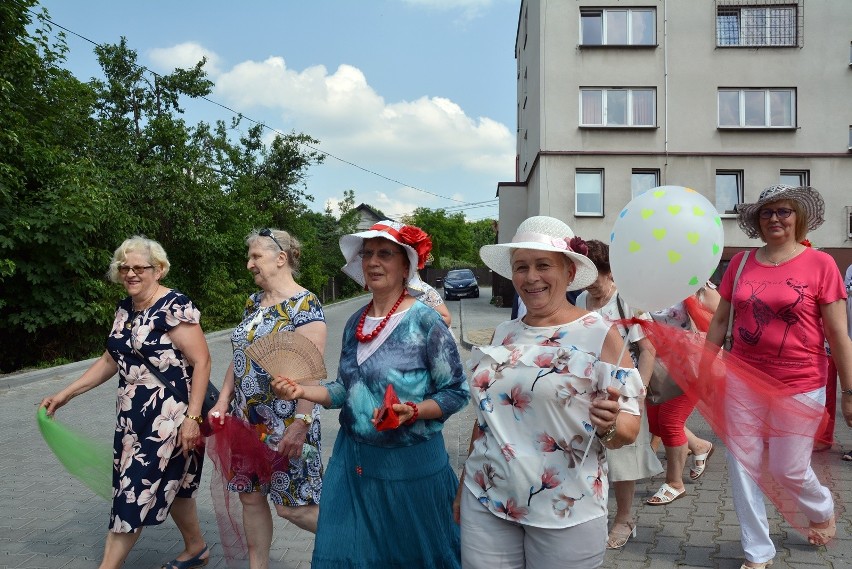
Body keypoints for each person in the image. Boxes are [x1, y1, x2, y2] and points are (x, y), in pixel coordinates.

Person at [273, 220, 469, 568]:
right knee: (346, 551)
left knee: (416, 557)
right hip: (354, 463)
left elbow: (456, 392)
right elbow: (345, 391)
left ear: (406, 265)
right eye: (367, 254)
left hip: (410, 466)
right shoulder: (354, 323)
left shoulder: (425, 322)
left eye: (385, 254)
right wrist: (303, 390)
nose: (373, 262)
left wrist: (414, 410)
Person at [456, 216, 642, 569]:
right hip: (487, 495)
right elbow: (486, 419)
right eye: (521, 267)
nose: (531, 277)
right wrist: (465, 480)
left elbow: (628, 431)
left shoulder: (600, 334)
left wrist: (610, 426)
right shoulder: (503, 334)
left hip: (566, 503)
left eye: (543, 265)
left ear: (570, 272)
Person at [40, 236, 211, 569]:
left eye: (139, 267)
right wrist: (65, 394)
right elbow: (110, 360)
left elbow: (202, 362)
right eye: (124, 267)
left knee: (131, 493)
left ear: (158, 270)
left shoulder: (174, 306)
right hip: (132, 418)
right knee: (176, 488)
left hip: (171, 417)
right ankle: (196, 548)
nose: (130, 273)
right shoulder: (125, 309)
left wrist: (193, 418)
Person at [705, 184, 851, 568]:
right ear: (756, 220)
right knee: (743, 464)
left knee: (789, 468)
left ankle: (821, 509)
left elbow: (838, 334)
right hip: (743, 378)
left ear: (798, 217)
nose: (775, 219)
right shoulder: (739, 264)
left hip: (800, 381)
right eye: (767, 213)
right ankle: (757, 551)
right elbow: (721, 319)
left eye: (783, 212)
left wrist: (850, 392)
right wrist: (705, 366)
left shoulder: (821, 264)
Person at [208, 228, 326, 569]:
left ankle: (357, 542)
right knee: (251, 498)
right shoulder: (253, 303)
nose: (249, 264)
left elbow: (312, 369)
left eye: (255, 256)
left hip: (287, 422)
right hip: (247, 420)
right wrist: (221, 401)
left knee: (293, 507)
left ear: (280, 258)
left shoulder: (305, 304)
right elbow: (240, 355)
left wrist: (301, 423)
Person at [574, 239, 662, 549]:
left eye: (595, 278)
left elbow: (648, 349)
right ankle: (590, 515)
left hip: (625, 391)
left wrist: (640, 393)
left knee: (624, 458)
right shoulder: (582, 301)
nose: (590, 286)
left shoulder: (628, 301)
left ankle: (624, 519)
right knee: (592, 456)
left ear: (609, 272)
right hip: (590, 390)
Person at [646, 288, 716, 506]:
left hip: (690, 365)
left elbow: (721, 315)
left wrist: (697, 296)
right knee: (655, 424)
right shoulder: (637, 285)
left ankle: (674, 483)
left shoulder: (689, 282)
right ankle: (699, 446)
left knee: (670, 422)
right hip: (655, 367)